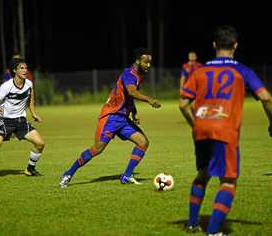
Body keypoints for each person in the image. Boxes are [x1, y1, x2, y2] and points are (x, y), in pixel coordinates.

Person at [179, 25, 272, 236]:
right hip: (225, 129)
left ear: (214, 45)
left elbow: (183, 104)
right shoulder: (242, 70)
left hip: (201, 128)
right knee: (229, 181)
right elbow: (266, 97)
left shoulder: (200, 71)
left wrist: (196, 125)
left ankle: (192, 223)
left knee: (202, 174)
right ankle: (213, 232)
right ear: (236, 45)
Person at [59, 47, 161, 188]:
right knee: (97, 149)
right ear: (137, 61)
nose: (148, 65)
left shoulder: (140, 75)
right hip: (110, 117)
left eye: (150, 62)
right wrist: (149, 99)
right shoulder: (129, 74)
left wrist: (134, 111)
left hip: (123, 119)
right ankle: (68, 173)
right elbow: (131, 92)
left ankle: (127, 175)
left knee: (143, 142)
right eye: (145, 62)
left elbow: (128, 96)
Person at [0, 58, 45, 182]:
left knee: (40, 144)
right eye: (21, 68)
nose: (25, 70)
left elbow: (30, 101)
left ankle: (30, 169)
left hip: (20, 121)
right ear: (14, 70)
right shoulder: (7, 86)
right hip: (5, 120)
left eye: (26, 68)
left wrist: (34, 114)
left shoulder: (29, 84)